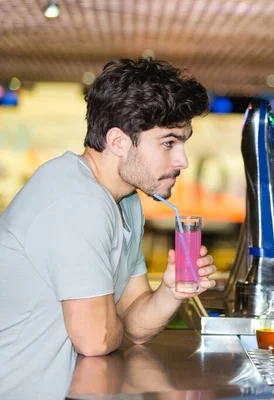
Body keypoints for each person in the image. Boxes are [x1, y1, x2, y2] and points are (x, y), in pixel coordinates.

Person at [0, 57, 215, 398]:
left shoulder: (125, 201)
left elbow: (133, 322)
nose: (182, 161)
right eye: (168, 143)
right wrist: (107, 319)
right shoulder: (78, 200)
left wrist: (171, 292)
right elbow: (96, 339)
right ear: (118, 142)